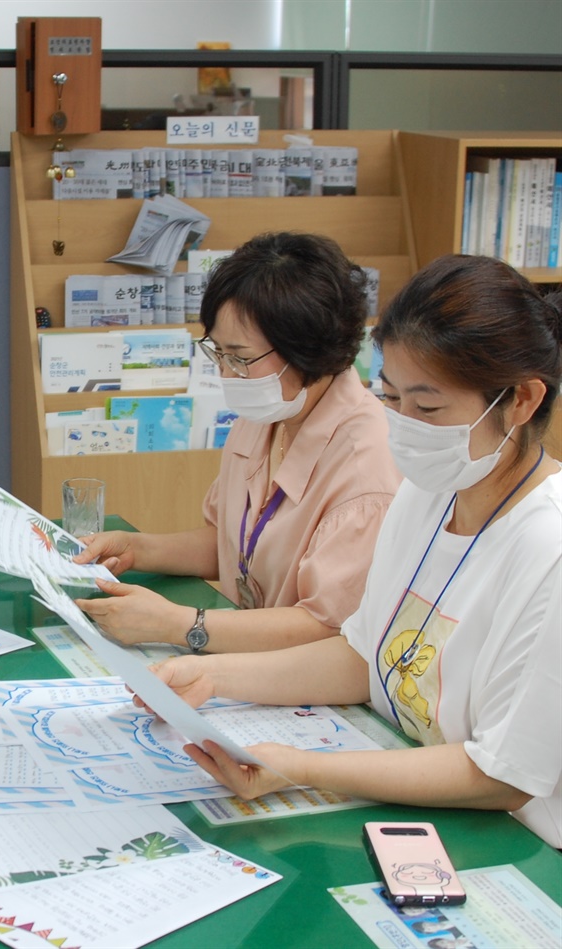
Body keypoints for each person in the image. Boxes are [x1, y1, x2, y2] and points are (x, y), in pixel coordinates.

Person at [136, 256, 562, 847]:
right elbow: (362, 656)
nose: (403, 427)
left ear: (520, 401)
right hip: (407, 791)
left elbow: (501, 777)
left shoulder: (549, 548)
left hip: (511, 845)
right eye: (390, 398)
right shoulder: (427, 493)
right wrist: (209, 674)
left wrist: (302, 769)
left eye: (429, 407)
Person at [74, 232, 400, 652]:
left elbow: (329, 629)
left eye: (240, 358)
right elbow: (235, 546)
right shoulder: (271, 411)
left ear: (306, 349)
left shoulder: (366, 471)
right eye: (219, 354)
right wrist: (137, 548)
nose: (227, 376)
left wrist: (180, 625)